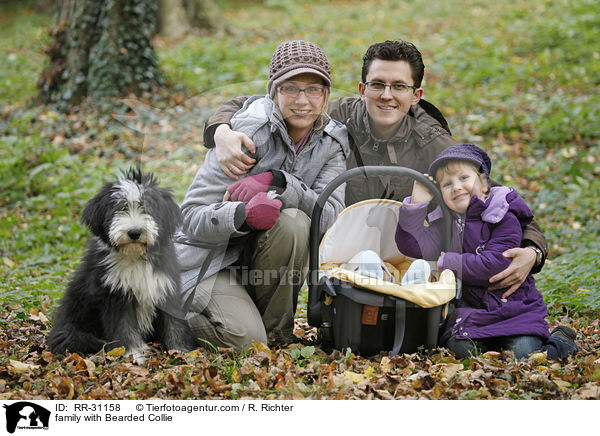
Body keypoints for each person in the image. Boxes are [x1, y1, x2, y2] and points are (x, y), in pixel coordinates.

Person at [201, 40, 547, 299]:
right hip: (346, 262)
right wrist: (221, 131)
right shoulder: (334, 117)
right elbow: (255, 103)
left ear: (416, 94)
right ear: (362, 89)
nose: (386, 96)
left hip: (409, 265)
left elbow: (496, 200)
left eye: (399, 86)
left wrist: (533, 251)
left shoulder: (434, 145)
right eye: (378, 84)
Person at [174, 40, 349, 351]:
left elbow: (331, 217)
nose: (302, 100)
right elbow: (189, 217)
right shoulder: (243, 133)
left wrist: (280, 182)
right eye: (290, 88)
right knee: (243, 341)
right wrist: (241, 215)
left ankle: (277, 339)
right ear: (273, 91)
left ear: (326, 95)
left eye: (313, 89)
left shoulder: (332, 143)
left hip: (262, 264)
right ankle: (167, 318)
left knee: (294, 222)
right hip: (213, 264)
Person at [394, 144, 578, 359]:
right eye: (447, 184)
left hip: (515, 310)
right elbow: (412, 246)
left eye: (464, 178)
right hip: (473, 312)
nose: (456, 187)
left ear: (484, 184)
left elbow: (495, 264)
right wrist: (416, 204)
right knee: (464, 353)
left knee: (526, 355)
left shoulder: (502, 216)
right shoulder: (443, 223)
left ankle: (561, 341)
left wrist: (448, 262)